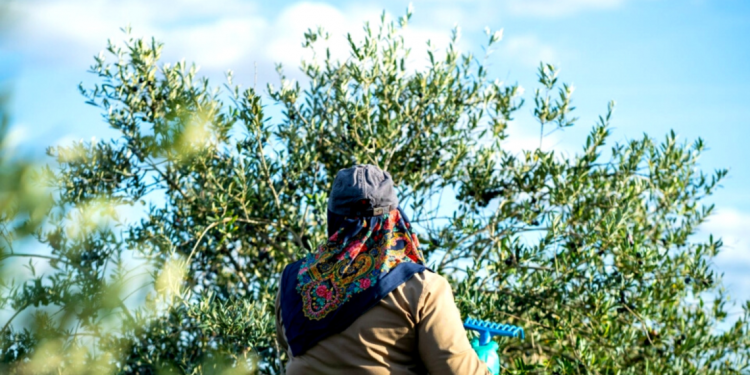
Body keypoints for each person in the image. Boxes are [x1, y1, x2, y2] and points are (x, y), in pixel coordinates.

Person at [275, 164, 491, 375]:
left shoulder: (294, 279)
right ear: (394, 217)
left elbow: (291, 346)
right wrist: (485, 364)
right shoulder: (422, 288)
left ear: (334, 217)